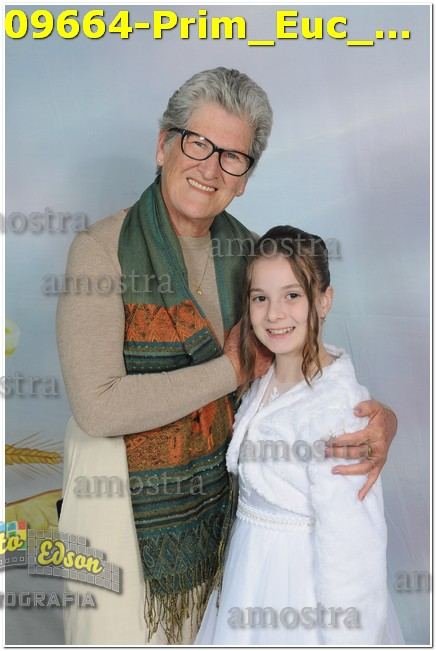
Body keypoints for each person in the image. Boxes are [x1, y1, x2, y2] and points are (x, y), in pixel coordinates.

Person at [56, 68, 397, 645]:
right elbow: (98, 406)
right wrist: (229, 370)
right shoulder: (100, 251)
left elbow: (296, 356)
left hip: (219, 508)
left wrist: (376, 414)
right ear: (163, 145)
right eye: (198, 143)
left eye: (232, 156)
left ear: (244, 178)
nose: (210, 168)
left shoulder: (251, 254)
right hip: (116, 497)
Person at [195, 226, 404, 645]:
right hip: (247, 573)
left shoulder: (341, 412)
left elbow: (354, 546)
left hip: (298, 589)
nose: (274, 314)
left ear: (324, 300)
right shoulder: (260, 380)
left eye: (292, 295)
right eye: (260, 298)